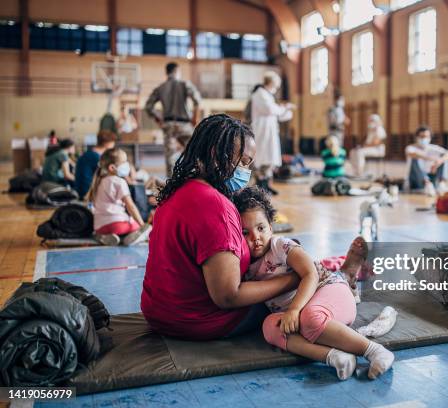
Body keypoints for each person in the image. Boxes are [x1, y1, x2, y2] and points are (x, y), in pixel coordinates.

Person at [141, 113, 297, 341]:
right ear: (217, 155)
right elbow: (228, 296)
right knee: (300, 296)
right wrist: (292, 280)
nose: (246, 170)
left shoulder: (179, 190)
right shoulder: (216, 207)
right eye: (243, 161)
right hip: (197, 321)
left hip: (159, 313)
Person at [232, 186, 394, 380]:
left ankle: (374, 351)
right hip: (302, 314)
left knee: (310, 317)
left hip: (330, 290)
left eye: (261, 228)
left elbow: (311, 274)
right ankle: (335, 357)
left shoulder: (280, 246)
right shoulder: (245, 266)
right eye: (245, 233)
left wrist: (293, 310)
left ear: (271, 227)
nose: (255, 238)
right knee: (269, 326)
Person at [145, 62, 202, 177]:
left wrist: (159, 120)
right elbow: (197, 100)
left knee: (170, 157)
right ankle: (196, 177)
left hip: (168, 125)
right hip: (185, 125)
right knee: (195, 151)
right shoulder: (185, 84)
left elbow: (148, 107)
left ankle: (171, 184)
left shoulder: (160, 88)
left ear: (167, 72)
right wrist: (195, 118)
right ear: (177, 71)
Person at [86, 147, 151, 246]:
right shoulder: (119, 182)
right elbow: (131, 206)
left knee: (118, 228)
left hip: (100, 227)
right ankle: (129, 238)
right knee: (147, 228)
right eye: (124, 162)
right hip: (118, 225)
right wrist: (142, 225)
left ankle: (103, 237)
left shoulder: (98, 181)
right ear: (112, 168)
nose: (127, 165)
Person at [250, 71, 295, 195]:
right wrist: (284, 108)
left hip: (270, 132)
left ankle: (267, 185)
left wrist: (286, 111)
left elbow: (277, 114)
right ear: (271, 83)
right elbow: (270, 109)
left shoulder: (268, 95)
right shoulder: (260, 94)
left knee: (271, 158)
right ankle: (260, 185)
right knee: (262, 158)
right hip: (262, 131)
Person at [404, 125, 448, 196]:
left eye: (426, 136)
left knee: (444, 157)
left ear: (430, 138)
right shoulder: (411, 148)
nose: (424, 138)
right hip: (416, 180)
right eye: (422, 136)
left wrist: (439, 161)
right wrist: (431, 158)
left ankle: (441, 184)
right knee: (415, 159)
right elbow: (411, 154)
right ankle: (427, 184)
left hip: (431, 176)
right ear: (417, 137)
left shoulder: (433, 148)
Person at [74, 130, 117, 199]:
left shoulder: (89, 153)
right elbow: (107, 175)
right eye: (112, 142)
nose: (114, 144)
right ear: (106, 143)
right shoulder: (96, 157)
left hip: (81, 190)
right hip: (87, 192)